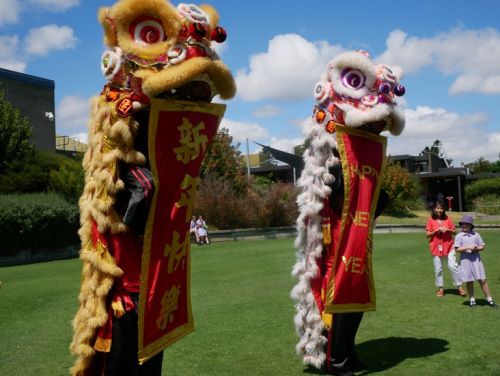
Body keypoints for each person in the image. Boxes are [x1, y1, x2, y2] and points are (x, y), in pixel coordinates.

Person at [454, 215, 498, 308]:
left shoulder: (476, 235)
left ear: (471, 225)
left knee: (482, 280)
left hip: (476, 261)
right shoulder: (459, 236)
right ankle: (472, 300)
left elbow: (482, 246)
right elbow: (457, 249)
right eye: (463, 224)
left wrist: (476, 248)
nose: (464, 225)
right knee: (469, 280)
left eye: (466, 224)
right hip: (465, 261)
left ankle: (489, 299)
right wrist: (468, 247)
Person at [425, 200, 465, 297]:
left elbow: (454, 232)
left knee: (453, 266)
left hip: (449, 246)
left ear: (444, 209)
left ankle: (459, 287)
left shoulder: (448, 219)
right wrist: (435, 231)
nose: (439, 210)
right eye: (438, 208)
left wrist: (447, 230)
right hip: (436, 247)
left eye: (441, 208)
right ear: (434, 209)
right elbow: (427, 234)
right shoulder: (431, 220)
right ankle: (440, 289)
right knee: (438, 269)